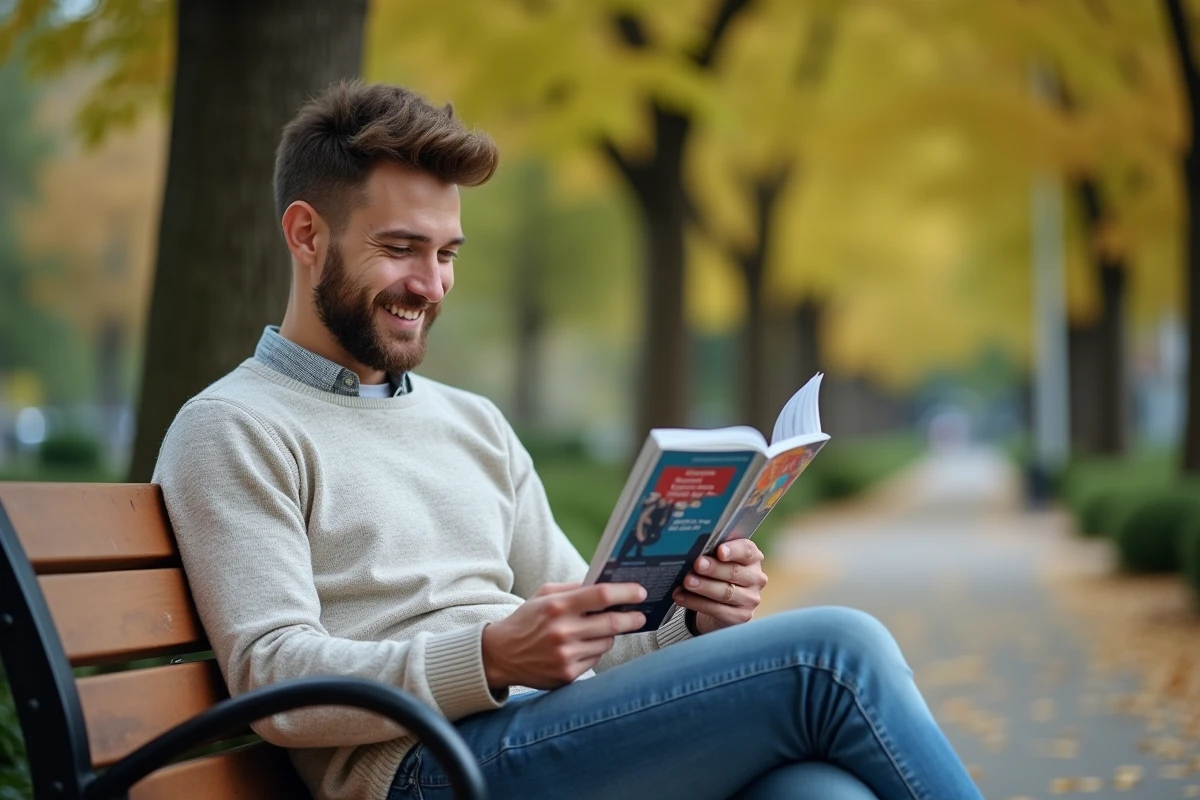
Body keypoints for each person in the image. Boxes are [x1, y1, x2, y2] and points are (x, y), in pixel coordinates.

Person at [152, 80, 983, 800]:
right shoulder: (235, 427)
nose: (430, 285)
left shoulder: (470, 422)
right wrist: (487, 655)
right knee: (835, 652)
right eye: (400, 249)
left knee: (816, 790)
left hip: (534, 735)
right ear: (305, 235)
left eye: (446, 254)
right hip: (425, 769)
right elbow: (272, 679)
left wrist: (689, 622)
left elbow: (590, 631)